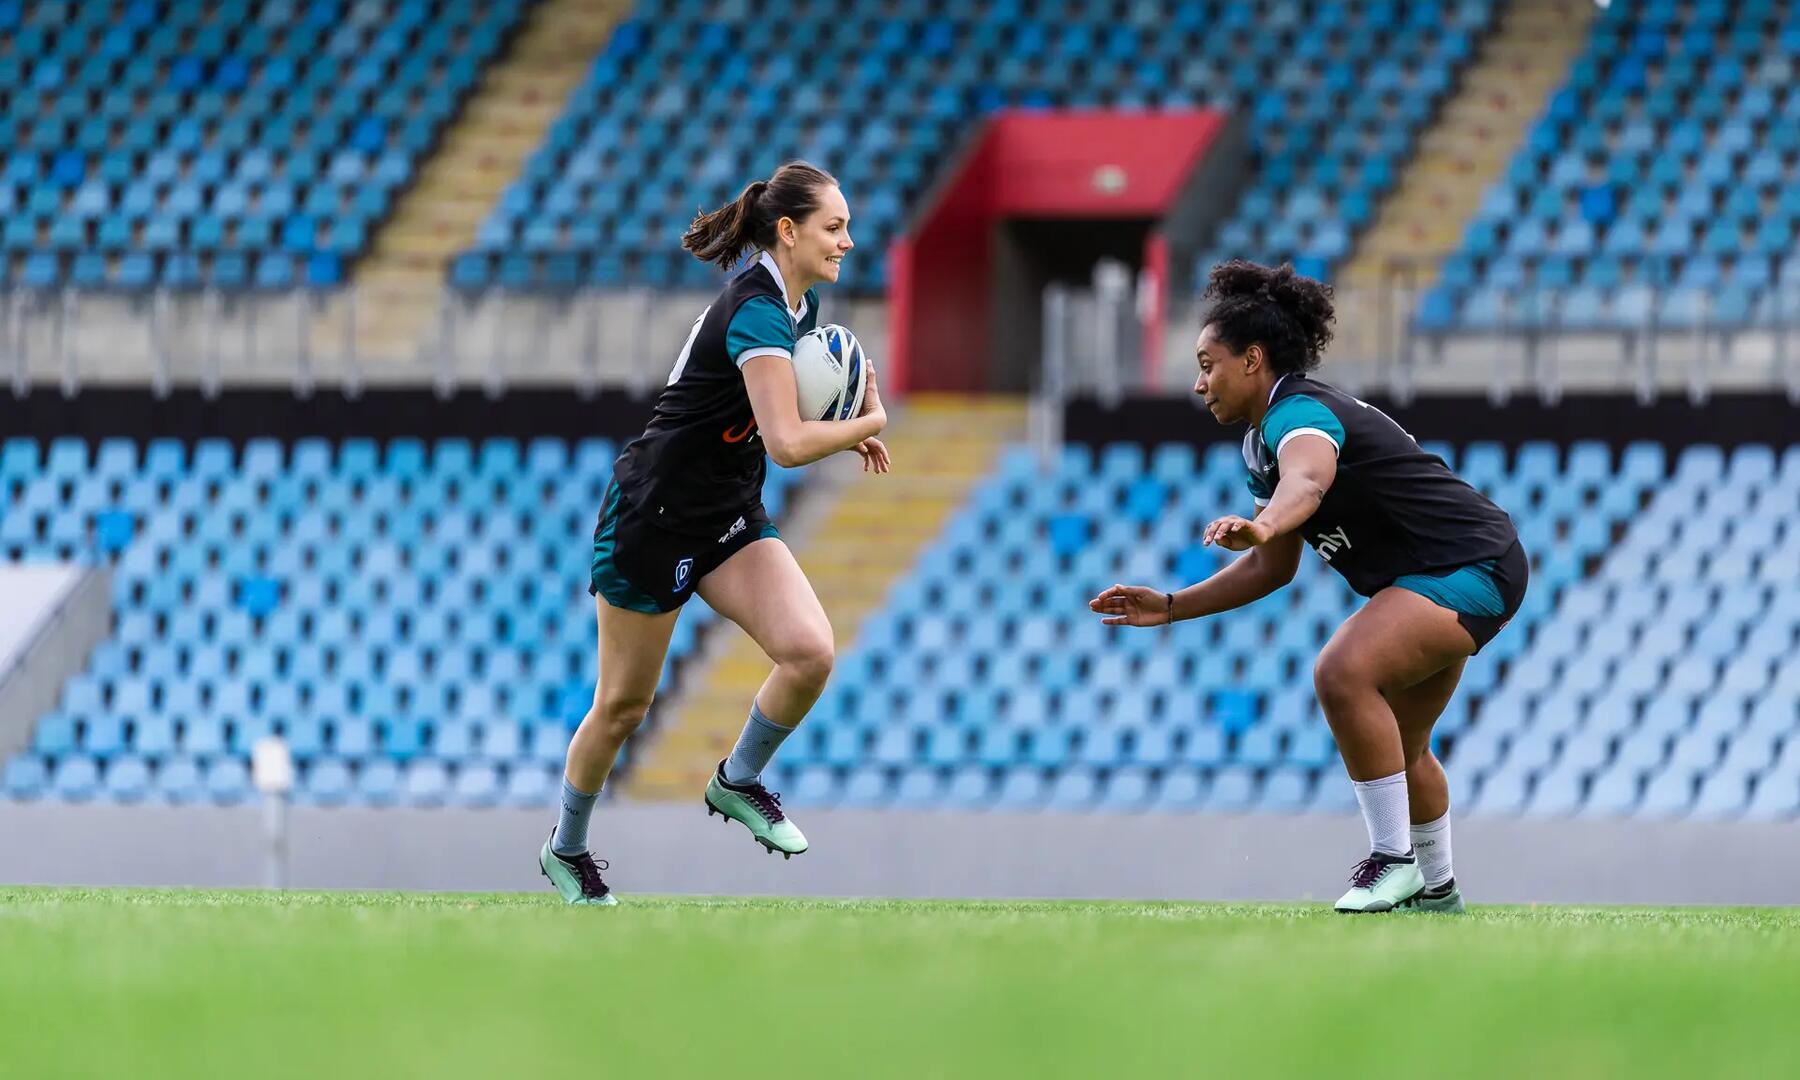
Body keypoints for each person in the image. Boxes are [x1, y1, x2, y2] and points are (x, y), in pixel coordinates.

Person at [1089, 260, 1526, 914]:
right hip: (1457, 567)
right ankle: (1437, 895)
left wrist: (1263, 524)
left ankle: (1393, 861)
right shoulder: (1262, 444)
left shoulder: (1296, 414)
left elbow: (1309, 482)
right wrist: (1175, 605)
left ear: (1253, 360)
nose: (1198, 382)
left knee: (1341, 673)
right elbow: (1274, 568)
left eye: (1208, 364)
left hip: (1468, 566)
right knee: (1403, 750)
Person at [540, 161, 891, 905]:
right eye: (835, 228)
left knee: (809, 653)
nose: (848, 242)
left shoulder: (800, 304)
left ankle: (739, 778)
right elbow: (790, 444)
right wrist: (867, 421)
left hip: (726, 511)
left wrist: (841, 426)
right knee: (624, 707)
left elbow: (788, 420)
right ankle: (566, 849)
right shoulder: (757, 311)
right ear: (788, 231)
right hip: (654, 519)